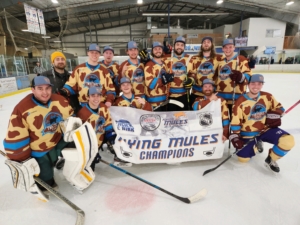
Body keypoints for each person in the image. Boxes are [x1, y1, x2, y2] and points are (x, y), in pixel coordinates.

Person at [3, 76, 96, 200]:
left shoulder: (60, 101)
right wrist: (21, 159)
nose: (44, 92)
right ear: (33, 89)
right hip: (40, 150)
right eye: (40, 88)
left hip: (58, 140)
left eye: (47, 88)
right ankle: (46, 176)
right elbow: (15, 137)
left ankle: (74, 171)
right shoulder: (22, 109)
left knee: (78, 147)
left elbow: (71, 120)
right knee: (47, 183)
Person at [229, 74, 295, 173]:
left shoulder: (267, 96)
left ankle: (271, 159)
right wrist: (235, 136)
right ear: (248, 84)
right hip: (248, 133)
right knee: (243, 159)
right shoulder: (240, 101)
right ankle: (256, 144)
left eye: (259, 84)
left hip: (266, 129)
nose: (256, 86)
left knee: (288, 141)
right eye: (253, 83)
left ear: (262, 85)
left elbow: (280, 108)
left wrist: (275, 115)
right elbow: (235, 121)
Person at [76, 86, 125, 167]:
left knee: (116, 138)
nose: (96, 98)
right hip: (89, 143)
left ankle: (119, 156)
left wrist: (112, 137)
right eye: (93, 95)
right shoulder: (82, 114)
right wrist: (93, 152)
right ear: (88, 97)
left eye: (98, 95)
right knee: (89, 166)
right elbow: (82, 137)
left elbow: (108, 123)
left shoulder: (103, 107)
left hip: (100, 138)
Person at [60, 43, 116, 110]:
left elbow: (110, 89)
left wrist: (109, 100)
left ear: (99, 54)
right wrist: (63, 91)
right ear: (88, 53)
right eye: (92, 52)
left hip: (100, 105)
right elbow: (71, 86)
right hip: (84, 106)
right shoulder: (79, 69)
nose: (94, 55)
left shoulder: (104, 71)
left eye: (96, 53)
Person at [215, 38, 252, 115]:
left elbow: (249, 76)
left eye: (230, 47)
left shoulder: (241, 59)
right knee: (222, 122)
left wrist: (241, 77)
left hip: (236, 98)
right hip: (222, 98)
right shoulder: (221, 61)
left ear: (234, 48)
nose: (228, 49)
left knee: (235, 122)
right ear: (222, 49)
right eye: (226, 47)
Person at [187, 36, 221, 108]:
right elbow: (190, 73)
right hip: (197, 93)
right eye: (204, 42)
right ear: (201, 45)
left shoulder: (219, 58)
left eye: (208, 42)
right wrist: (191, 78)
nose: (206, 44)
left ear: (212, 44)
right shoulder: (194, 59)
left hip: (212, 93)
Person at [163, 36, 192, 111]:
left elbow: (193, 74)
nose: (179, 47)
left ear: (184, 47)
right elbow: (155, 61)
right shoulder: (166, 59)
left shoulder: (190, 58)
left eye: (182, 45)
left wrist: (191, 80)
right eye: (178, 44)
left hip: (184, 95)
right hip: (170, 95)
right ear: (174, 46)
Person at [144, 42, 171, 111]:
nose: (158, 51)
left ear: (162, 51)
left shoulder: (164, 64)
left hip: (165, 101)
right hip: (153, 103)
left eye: (159, 49)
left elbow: (168, 82)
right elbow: (150, 84)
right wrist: (163, 80)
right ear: (152, 51)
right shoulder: (149, 65)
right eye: (155, 49)